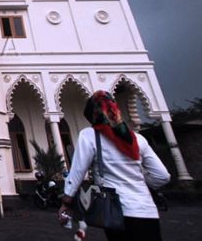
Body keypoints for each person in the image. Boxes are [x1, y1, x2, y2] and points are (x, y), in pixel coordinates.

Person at [58, 90, 171, 241]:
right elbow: (162, 176)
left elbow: (78, 171)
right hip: (147, 211)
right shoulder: (137, 139)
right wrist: (139, 181)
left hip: (115, 211)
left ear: (93, 114)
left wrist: (67, 201)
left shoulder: (90, 135)